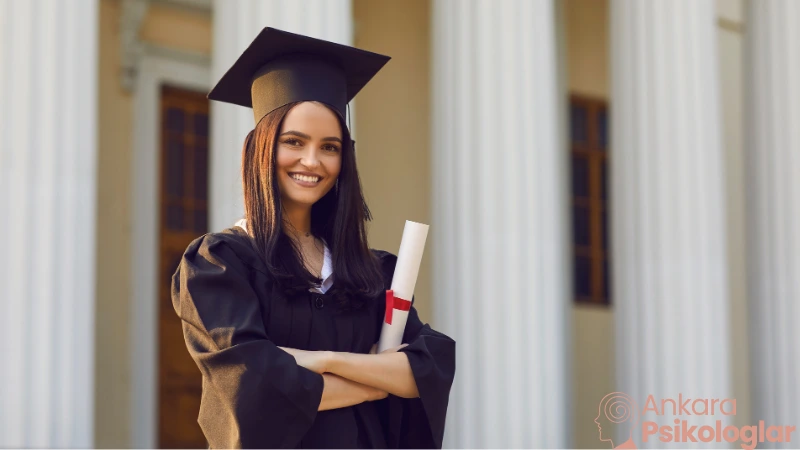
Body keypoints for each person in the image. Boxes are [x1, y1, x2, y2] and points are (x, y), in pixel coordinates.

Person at [170, 27, 456, 449]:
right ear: (261, 150)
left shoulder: (372, 271)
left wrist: (322, 361)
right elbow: (254, 387)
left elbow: (428, 368)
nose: (311, 161)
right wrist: (378, 376)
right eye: (294, 142)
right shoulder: (220, 264)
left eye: (330, 146)